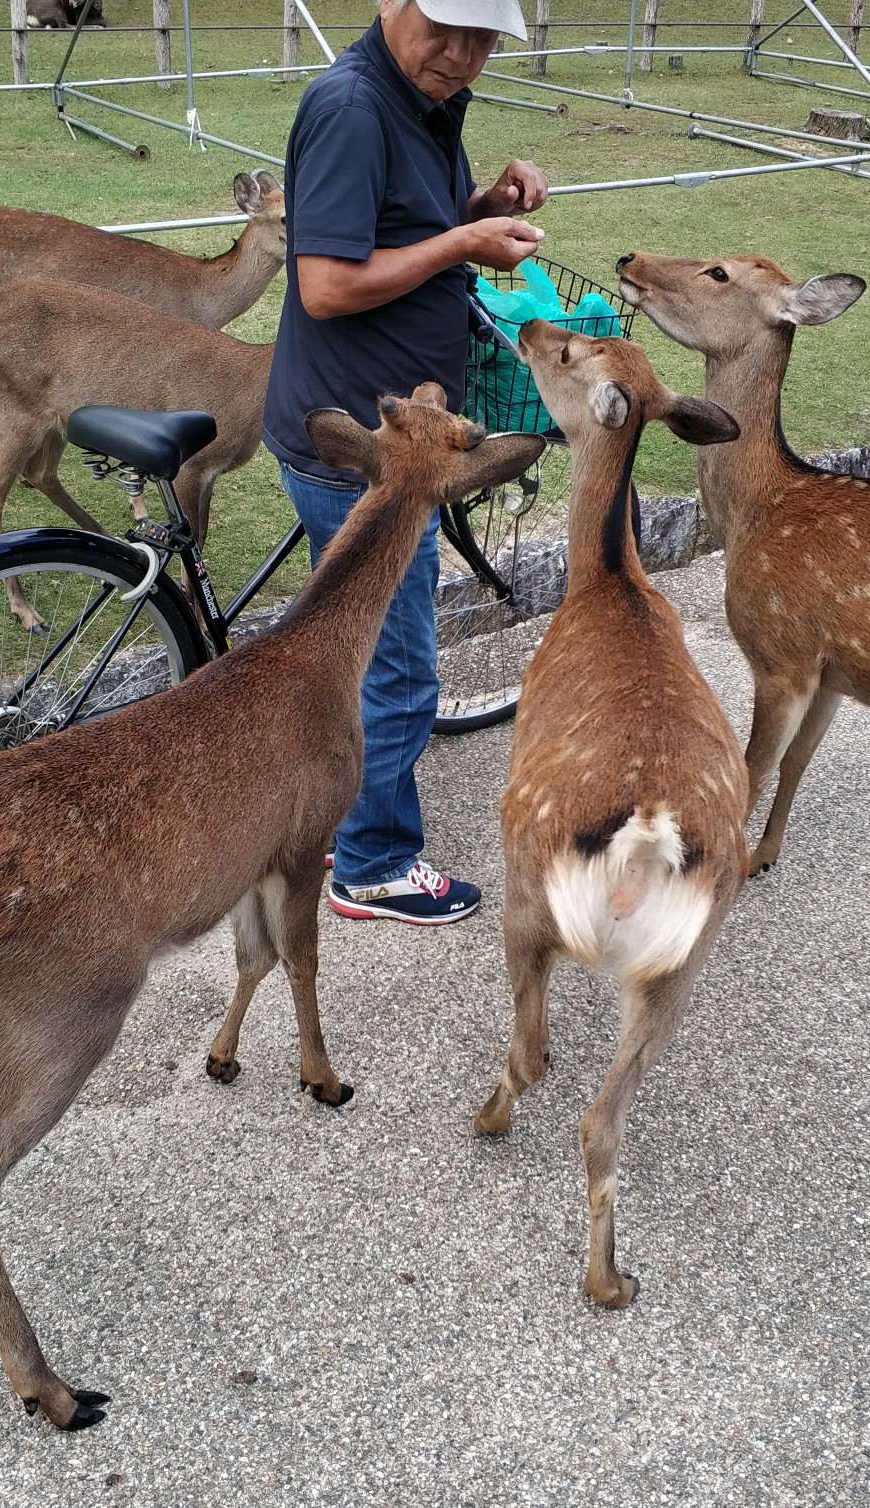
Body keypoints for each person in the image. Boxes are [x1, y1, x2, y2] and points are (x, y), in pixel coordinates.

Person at [264, 0, 548, 926]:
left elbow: (399, 225)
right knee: (398, 670)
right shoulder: (351, 106)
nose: (463, 57)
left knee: (341, 650)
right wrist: (464, 244)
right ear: (396, 5)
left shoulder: (422, 97)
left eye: (484, 38)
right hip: (364, 445)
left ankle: (314, 811)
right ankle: (375, 862)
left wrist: (480, 208)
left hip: (382, 425)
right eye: (447, 30)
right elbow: (327, 282)